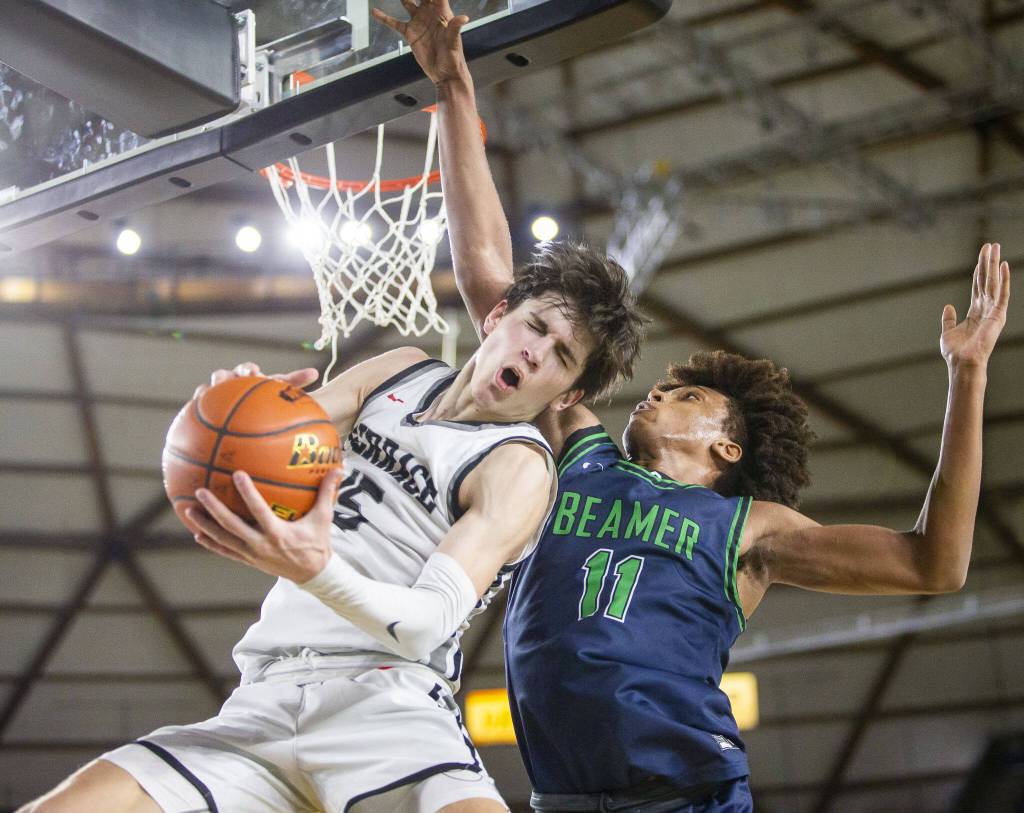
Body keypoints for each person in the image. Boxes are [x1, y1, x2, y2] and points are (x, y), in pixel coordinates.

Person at [375, 3, 1013, 811]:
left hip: (689, 796)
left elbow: (937, 564)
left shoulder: (751, 530)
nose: (661, 391)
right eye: (666, 382)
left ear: (729, 448)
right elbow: (498, 295)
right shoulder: (580, 457)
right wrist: (456, 91)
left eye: (689, 394)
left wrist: (968, 378)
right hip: (562, 799)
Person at [18, 145, 646, 813]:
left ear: (563, 394)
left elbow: (427, 623)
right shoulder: (400, 369)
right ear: (498, 318)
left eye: (561, 357)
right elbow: (275, 439)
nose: (535, 352)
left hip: (390, 706)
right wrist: (230, 410)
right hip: (265, 697)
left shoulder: (518, 466)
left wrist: (316, 568)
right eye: (536, 326)